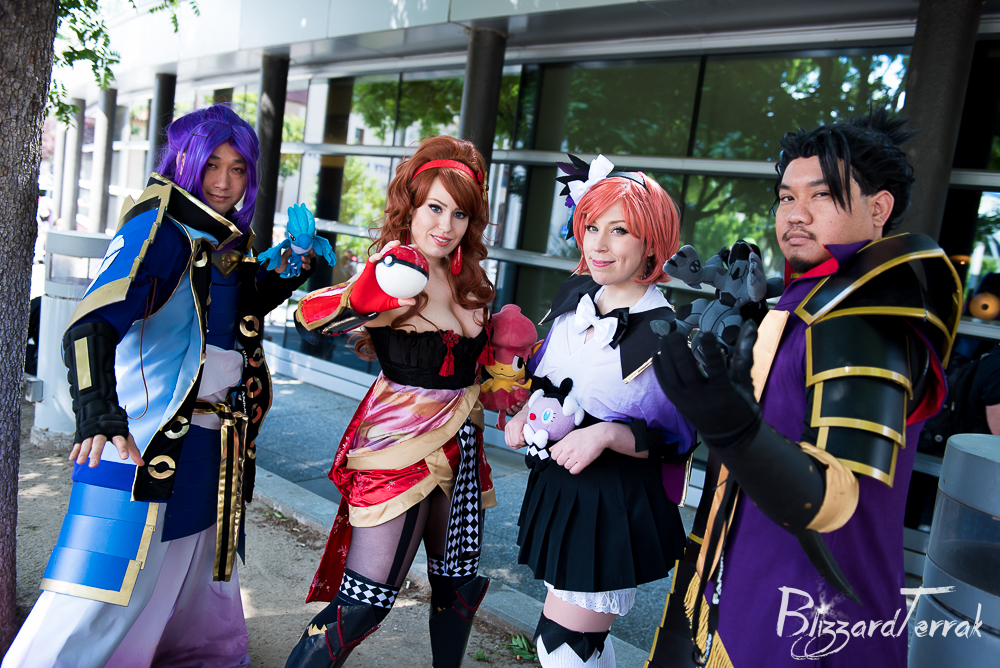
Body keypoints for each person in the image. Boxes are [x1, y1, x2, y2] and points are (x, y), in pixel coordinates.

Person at [647, 109, 962, 668]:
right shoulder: (807, 300)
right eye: (786, 197)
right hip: (750, 585)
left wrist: (736, 432)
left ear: (879, 208)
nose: (795, 214)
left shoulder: (868, 320)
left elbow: (838, 499)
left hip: (812, 623)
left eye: (821, 195)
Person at [3, 104, 316, 668]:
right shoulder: (157, 229)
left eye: (238, 168)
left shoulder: (218, 235)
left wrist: (293, 263)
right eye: (212, 164)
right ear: (184, 162)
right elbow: (90, 323)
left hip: (210, 439)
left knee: (188, 566)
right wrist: (98, 411)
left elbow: (229, 309)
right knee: (96, 583)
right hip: (140, 439)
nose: (224, 181)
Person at [287, 135, 497, 668]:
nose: (446, 226)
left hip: (463, 451)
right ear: (411, 206)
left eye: (459, 214)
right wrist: (361, 295)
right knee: (363, 604)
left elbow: (479, 372)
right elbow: (308, 317)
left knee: (458, 593)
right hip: (398, 451)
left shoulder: (471, 281)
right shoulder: (393, 273)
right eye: (434, 208)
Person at [504, 158, 696, 668]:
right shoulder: (573, 302)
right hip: (558, 488)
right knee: (583, 645)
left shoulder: (664, 332)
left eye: (620, 230)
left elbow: (678, 437)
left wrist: (608, 434)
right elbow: (545, 383)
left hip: (611, 501)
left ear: (652, 243)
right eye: (592, 227)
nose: (599, 244)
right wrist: (523, 415)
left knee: (561, 645)